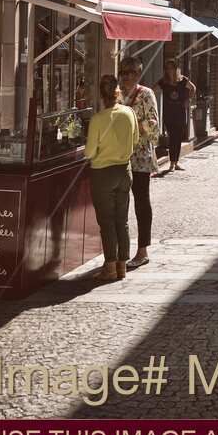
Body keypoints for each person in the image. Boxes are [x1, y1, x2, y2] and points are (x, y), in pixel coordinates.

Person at [84, 75, 139, 283]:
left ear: (102, 94)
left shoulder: (98, 119)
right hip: (124, 171)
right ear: (118, 93)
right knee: (122, 220)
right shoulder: (129, 113)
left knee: (106, 222)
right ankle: (122, 265)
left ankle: (110, 265)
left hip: (102, 174)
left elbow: (89, 152)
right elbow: (135, 141)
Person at [119, 56, 160, 269]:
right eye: (123, 72)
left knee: (141, 201)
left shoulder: (146, 94)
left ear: (138, 75)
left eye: (131, 73)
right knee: (120, 203)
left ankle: (142, 249)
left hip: (140, 157)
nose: (126, 77)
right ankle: (120, 249)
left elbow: (154, 124)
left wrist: (132, 126)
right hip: (119, 156)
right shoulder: (117, 95)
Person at [157, 59, 196, 172]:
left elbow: (193, 88)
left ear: (176, 69)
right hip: (168, 113)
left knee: (177, 138)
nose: (170, 70)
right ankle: (172, 163)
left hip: (180, 113)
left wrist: (188, 100)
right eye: (167, 68)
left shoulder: (182, 80)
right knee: (171, 137)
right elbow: (152, 89)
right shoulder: (164, 81)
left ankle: (175, 163)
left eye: (172, 68)